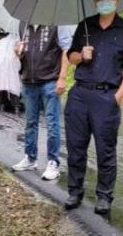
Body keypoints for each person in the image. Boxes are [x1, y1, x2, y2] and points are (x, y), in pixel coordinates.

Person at [65, 0, 123, 215]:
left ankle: (104, 196)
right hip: (80, 94)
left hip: (106, 97)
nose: (104, 2)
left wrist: (118, 96)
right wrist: (82, 56)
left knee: (105, 150)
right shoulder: (85, 26)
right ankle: (75, 191)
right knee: (76, 147)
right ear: (95, 1)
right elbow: (71, 57)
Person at [11, 22, 75, 181]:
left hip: (50, 81)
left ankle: (53, 162)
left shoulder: (56, 23)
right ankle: (30, 158)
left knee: (52, 123)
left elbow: (66, 49)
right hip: (28, 81)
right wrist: (17, 52)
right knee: (30, 122)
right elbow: (23, 54)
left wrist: (62, 78)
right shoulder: (23, 25)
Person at [0, 31, 22, 113]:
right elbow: (20, 54)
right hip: (12, 64)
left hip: (0, 64)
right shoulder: (18, 42)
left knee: (1, 85)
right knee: (14, 84)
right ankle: (16, 107)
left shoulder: (1, 41)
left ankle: (2, 106)